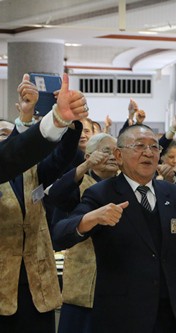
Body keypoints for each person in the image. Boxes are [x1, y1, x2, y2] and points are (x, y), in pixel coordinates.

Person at [52, 124, 176, 333]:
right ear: (119, 155)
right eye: (139, 146)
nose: (148, 153)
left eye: (154, 147)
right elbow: (60, 234)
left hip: (172, 312)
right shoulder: (101, 194)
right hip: (122, 314)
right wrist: (90, 219)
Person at [0, 73, 85, 333]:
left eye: (8, 133)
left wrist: (66, 124)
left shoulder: (34, 171)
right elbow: (14, 152)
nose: (6, 138)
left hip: (37, 285)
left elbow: (58, 157)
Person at [46, 133, 119, 333]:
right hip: (82, 283)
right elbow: (55, 196)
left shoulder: (125, 186)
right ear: (89, 156)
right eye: (106, 151)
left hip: (118, 286)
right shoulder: (77, 184)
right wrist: (85, 167)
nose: (113, 156)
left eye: (116, 151)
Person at [0, 73, 88, 183]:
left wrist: (59, 119)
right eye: (3, 134)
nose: (10, 138)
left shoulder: (33, 167)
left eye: (12, 133)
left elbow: (62, 156)